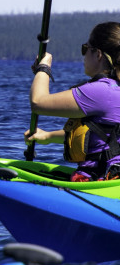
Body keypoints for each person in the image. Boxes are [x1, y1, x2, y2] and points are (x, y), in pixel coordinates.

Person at [24, 22, 120, 182]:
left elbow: (38, 102)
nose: (83, 55)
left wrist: (43, 68)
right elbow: (102, 136)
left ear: (98, 54)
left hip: (95, 182)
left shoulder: (101, 91)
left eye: (85, 49)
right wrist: (48, 137)